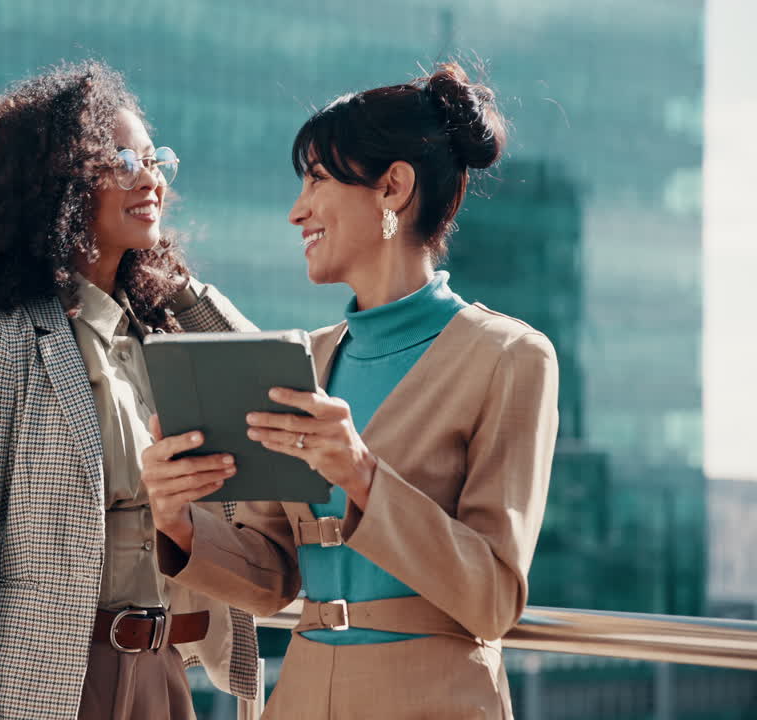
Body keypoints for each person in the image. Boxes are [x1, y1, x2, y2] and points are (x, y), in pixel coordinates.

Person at [141, 62, 559, 719]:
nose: (296, 210)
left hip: (436, 702)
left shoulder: (508, 358)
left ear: (392, 187)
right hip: (301, 699)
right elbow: (272, 577)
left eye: (317, 180)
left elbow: (493, 600)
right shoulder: (306, 358)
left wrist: (362, 475)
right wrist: (176, 520)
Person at [0, 61, 258, 720]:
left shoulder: (160, 330)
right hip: (59, 686)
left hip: (165, 675)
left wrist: (176, 279)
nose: (149, 176)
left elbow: (263, 384)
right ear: (59, 184)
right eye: (121, 159)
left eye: (155, 158)